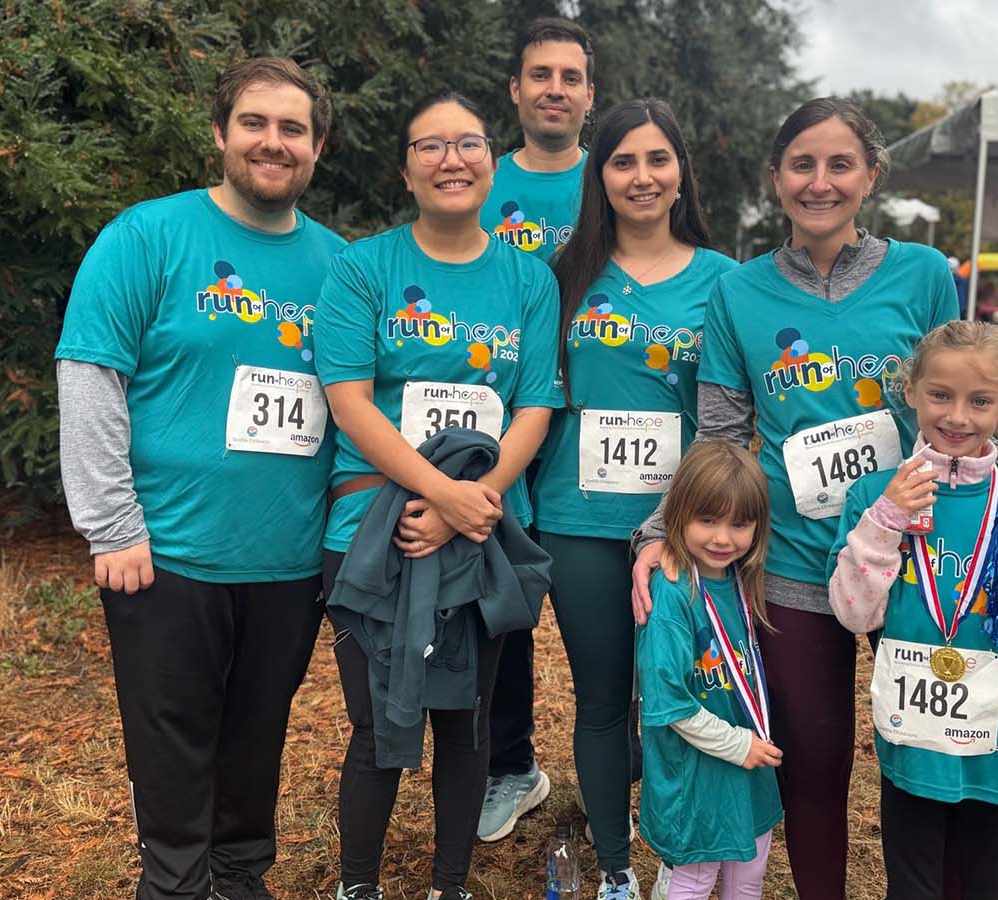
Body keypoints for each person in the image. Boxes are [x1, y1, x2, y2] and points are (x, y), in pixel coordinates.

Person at [629, 97, 998, 900]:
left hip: (921, 568)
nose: (820, 182)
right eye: (802, 164)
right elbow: (718, 434)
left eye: (840, 164)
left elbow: (958, 400)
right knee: (814, 768)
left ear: (870, 176)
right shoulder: (739, 292)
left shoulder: (921, 274)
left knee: (939, 751)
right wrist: (655, 530)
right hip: (796, 572)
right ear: (775, 178)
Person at [55, 58, 346, 900]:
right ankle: (175, 885)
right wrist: (111, 526)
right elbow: (91, 374)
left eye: (293, 129)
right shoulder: (146, 238)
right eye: (255, 123)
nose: (273, 142)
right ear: (220, 133)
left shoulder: (341, 268)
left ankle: (240, 878)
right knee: (173, 741)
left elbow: (363, 406)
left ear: (317, 148)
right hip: (166, 555)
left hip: (291, 561)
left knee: (258, 738)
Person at [314, 89, 563, 900]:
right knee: (375, 722)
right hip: (370, 529)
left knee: (467, 721)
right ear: (405, 170)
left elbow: (535, 406)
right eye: (431, 146)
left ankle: (448, 886)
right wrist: (436, 494)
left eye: (468, 144)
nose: (451, 159)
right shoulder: (363, 268)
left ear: (493, 163)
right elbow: (348, 398)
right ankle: (359, 886)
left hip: (487, 530)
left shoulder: (529, 280)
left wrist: (476, 498)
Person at [532, 98, 737, 899]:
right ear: (600, 173)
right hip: (578, 521)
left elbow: (728, 416)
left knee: (683, 693)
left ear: (681, 170)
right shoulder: (562, 274)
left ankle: (688, 855)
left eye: (657, 159)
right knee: (603, 696)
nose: (642, 176)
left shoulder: (724, 282)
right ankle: (616, 867)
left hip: (693, 531)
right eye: (623, 161)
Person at [827, 320, 998, 900]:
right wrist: (884, 521)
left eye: (980, 401)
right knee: (913, 888)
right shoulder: (872, 495)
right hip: (912, 738)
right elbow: (854, 614)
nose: (957, 417)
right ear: (911, 392)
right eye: (940, 395)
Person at [476, 16, 596, 844]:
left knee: (614, 630)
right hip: (500, 438)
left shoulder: (618, 177)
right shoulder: (479, 181)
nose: (555, 88)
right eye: (540, 74)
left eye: (571, 76)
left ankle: (615, 780)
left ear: (591, 94)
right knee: (501, 616)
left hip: (601, 445)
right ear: (516, 89)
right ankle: (509, 767)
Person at [636, 441, 783, 900]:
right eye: (707, 521)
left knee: (750, 871)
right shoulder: (674, 591)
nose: (723, 538)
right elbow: (667, 701)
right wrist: (738, 745)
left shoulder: (742, 579)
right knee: (695, 880)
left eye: (739, 524)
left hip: (748, 767)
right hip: (697, 773)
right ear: (677, 515)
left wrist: (746, 749)